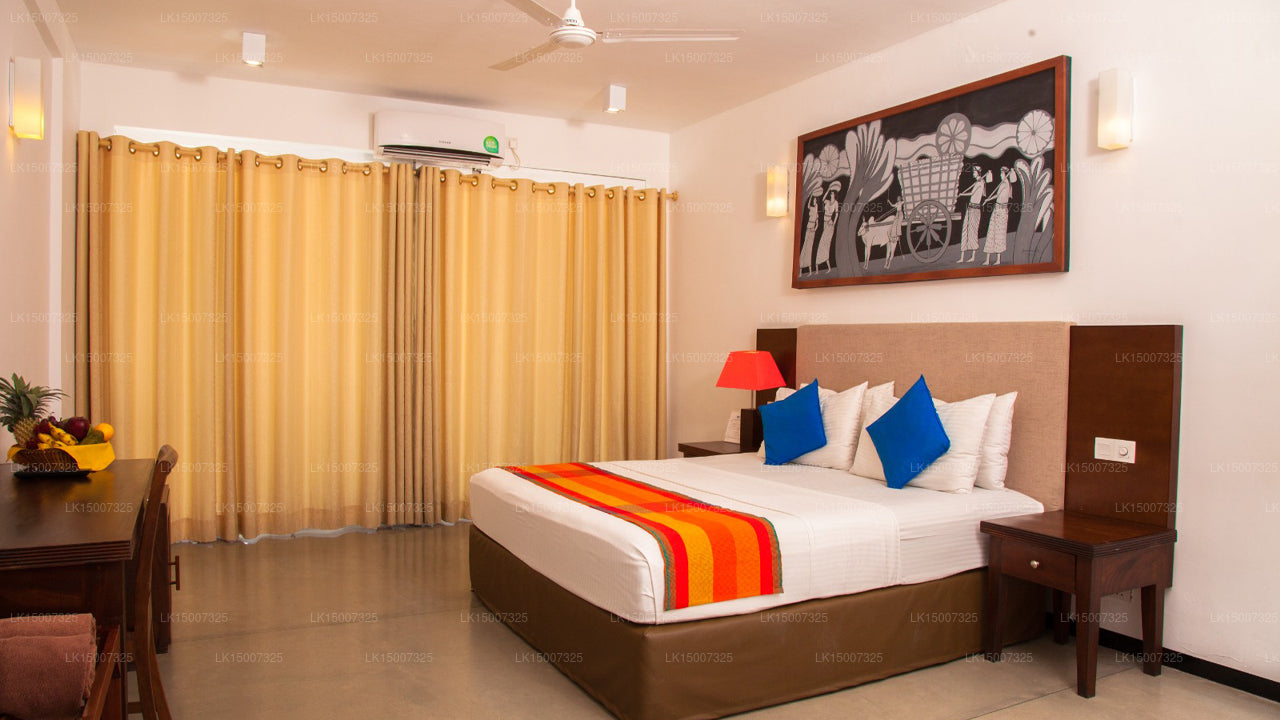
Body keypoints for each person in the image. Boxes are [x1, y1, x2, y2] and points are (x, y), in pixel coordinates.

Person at [982, 167, 1017, 266]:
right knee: (991, 233)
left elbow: (998, 196)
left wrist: (988, 200)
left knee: (999, 234)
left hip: (1001, 210)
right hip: (997, 209)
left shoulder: (1006, 184)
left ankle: (997, 259)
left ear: (1005, 174)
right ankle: (988, 259)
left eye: (1002, 173)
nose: (1000, 175)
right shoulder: (1003, 184)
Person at [958, 166, 991, 263]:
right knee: (965, 230)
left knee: (973, 231)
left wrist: (962, 194)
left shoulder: (980, 182)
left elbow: (973, 194)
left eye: (974, 172)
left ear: (978, 172)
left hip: (975, 209)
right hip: (970, 208)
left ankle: (973, 257)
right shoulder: (978, 182)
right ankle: (962, 257)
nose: (973, 173)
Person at [814, 181, 841, 273]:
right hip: (825, 223)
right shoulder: (828, 201)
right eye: (830, 193)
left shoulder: (836, 203)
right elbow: (822, 199)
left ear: (835, 195)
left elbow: (837, 214)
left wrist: (834, 223)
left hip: (830, 224)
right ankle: (823, 266)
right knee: (822, 244)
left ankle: (827, 266)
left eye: (832, 193)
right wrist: (828, 189)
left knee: (825, 244)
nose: (831, 194)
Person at [798, 194, 820, 276]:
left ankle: (810, 271)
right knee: (805, 247)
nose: (814, 202)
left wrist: (815, 228)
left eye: (815, 201)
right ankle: (800, 271)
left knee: (809, 249)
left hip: (812, 230)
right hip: (808, 227)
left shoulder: (816, 212)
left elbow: (817, 223)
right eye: (814, 200)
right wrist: (811, 196)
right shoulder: (811, 209)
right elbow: (808, 205)